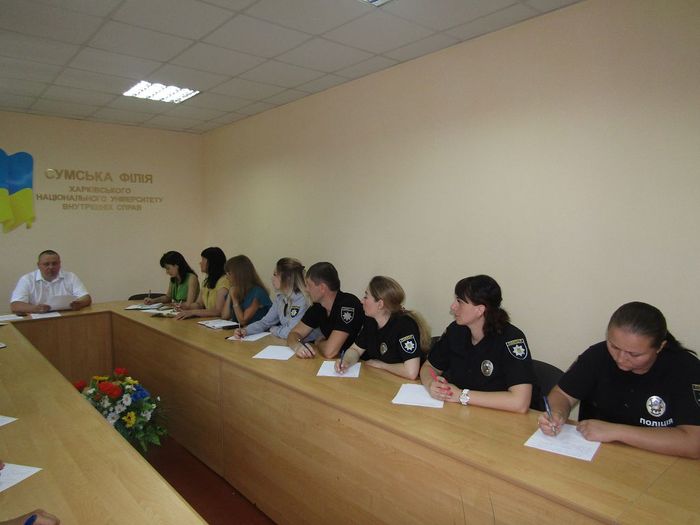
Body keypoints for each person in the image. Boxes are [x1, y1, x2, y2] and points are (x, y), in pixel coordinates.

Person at [538, 302, 700, 459]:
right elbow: (563, 395)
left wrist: (616, 432)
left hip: (659, 461)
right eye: (614, 347)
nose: (621, 358)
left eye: (634, 354)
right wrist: (557, 413)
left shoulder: (686, 369)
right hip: (594, 454)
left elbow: (694, 443)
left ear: (660, 347)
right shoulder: (597, 356)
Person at [419, 275, 534, 413]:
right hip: (460, 412)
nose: (453, 306)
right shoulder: (456, 330)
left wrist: (462, 396)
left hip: (499, 418)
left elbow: (520, 402)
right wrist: (431, 384)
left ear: (480, 310)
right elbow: (429, 366)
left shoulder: (511, 339)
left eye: (459, 301)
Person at [335, 276, 431, 380]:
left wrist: (382, 365)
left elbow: (411, 372)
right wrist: (346, 362)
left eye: (366, 297)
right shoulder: (371, 321)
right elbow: (356, 350)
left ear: (380, 304)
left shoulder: (405, 325)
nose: (362, 301)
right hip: (382, 379)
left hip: (404, 384)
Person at [286, 262, 364, 359]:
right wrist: (297, 346)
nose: (306, 289)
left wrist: (319, 342)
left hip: (358, 363)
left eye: (308, 285)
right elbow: (293, 333)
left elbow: (330, 352)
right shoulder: (318, 306)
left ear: (322, 288)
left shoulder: (348, 305)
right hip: (336, 362)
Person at [231, 257, 313, 340]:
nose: (272, 278)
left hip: (306, 344)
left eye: (275, 274)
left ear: (287, 278)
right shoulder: (281, 298)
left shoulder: (302, 300)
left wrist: (274, 329)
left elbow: (291, 333)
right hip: (286, 342)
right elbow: (265, 322)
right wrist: (246, 331)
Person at [10, 250, 91, 314]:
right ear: (38, 265)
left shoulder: (70, 276)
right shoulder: (27, 279)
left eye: (54, 264)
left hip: (66, 317)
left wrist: (80, 303)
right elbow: (15, 305)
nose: (51, 267)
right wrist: (36, 308)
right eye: (46, 264)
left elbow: (86, 297)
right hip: (38, 320)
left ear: (60, 264)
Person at [174, 247, 228, 320]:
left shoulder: (224, 281)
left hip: (219, 322)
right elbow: (199, 304)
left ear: (211, 262)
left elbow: (218, 311)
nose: (200, 263)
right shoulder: (207, 281)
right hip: (208, 321)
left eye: (203, 260)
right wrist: (186, 307)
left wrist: (192, 312)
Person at [221, 255, 272, 326]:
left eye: (229, 273)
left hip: (258, 331)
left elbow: (243, 321)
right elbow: (225, 316)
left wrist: (234, 299)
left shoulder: (258, 293)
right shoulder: (236, 290)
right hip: (242, 331)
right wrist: (230, 294)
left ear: (239, 274)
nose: (226, 277)